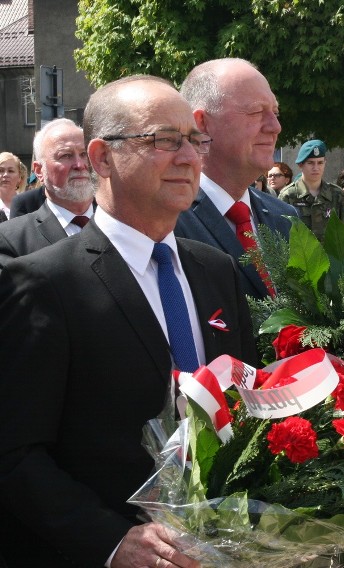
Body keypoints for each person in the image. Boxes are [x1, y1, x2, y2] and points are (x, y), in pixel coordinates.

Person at [0, 74, 258, 568]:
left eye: (194, 140)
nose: (188, 158)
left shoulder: (216, 271)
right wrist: (113, 543)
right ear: (101, 157)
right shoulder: (42, 284)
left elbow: (244, 408)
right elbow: (14, 453)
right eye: (163, 140)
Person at [175, 58, 297, 300]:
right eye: (255, 112)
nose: (275, 126)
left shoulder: (285, 217)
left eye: (275, 112)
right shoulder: (168, 222)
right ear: (201, 124)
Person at [0, 119, 95, 266]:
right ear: (39, 171)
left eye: (84, 154)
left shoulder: (125, 223)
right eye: (66, 155)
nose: (80, 165)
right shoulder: (10, 238)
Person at [278, 139, 344, 239]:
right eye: (310, 163)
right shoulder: (288, 195)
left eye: (320, 163)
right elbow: (281, 234)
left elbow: (343, 234)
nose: (316, 168)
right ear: (300, 165)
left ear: (325, 163)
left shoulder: (336, 194)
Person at [0, 152, 27, 221]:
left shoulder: (28, 204)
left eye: (10, 171)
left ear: (19, 177)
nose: (5, 175)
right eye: (1, 170)